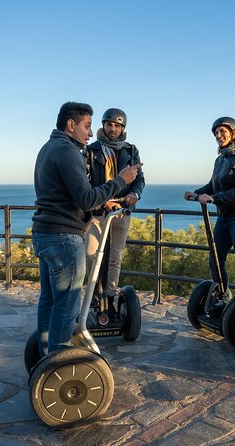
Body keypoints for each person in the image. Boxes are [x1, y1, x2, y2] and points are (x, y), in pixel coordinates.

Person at [31, 101, 141, 355]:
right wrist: (120, 181)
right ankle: (58, 362)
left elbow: (69, 196)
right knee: (67, 305)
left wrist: (103, 202)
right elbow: (87, 198)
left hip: (45, 233)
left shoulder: (47, 148)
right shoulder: (68, 151)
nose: (91, 133)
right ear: (71, 125)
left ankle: (44, 356)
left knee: (49, 301)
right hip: (63, 237)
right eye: (87, 126)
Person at [184, 117, 235, 297]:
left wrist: (212, 198)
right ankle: (223, 298)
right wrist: (195, 193)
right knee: (215, 260)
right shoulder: (220, 160)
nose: (218, 135)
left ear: (234, 133)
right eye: (216, 133)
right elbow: (212, 185)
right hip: (224, 217)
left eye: (222, 131)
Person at [85, 108, 145, 319]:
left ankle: (110, 296)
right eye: (110, 125)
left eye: (117, 126)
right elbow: (88, 181)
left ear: (122, 128)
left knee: (115, 256)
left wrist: (135, 195)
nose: (113, 129)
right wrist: (103, 200)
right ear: (103, 125)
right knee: (92, 255)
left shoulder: (131, 150)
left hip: (122, 210)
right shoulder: (92, 150)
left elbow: (139, 179)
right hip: (98, 211)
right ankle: (94, 294)